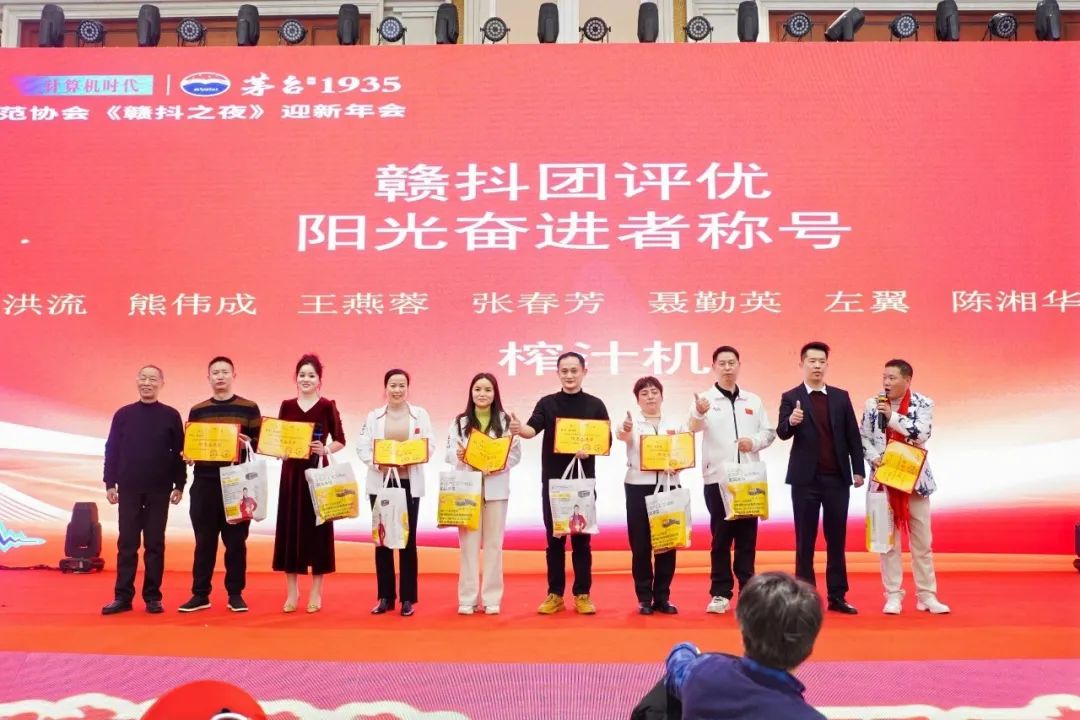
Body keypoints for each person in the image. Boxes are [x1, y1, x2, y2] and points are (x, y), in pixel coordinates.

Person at [510, 351, 610, 615]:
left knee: (582, 542)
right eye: (564, 371)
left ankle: (582, 594)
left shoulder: (595, 405)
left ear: (584, 372)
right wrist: (519, 429)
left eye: (574, 370)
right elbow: (532, 429)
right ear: (558, 373)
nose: (569, 375)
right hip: (554, 485)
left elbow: (605, 440)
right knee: (554, 540)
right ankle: (555, 594)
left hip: (583, 484)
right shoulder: (547, 403)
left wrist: (590, 450)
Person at [663, 572, 826, 720]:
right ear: (809, 647)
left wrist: (686, 648)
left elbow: (678, 665)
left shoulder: (703, 674)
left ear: (742, 629)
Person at [777, 341, 864, 614]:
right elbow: (782, 432)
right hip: (805, 481)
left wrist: (858, 469)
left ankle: (837, 596)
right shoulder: (791, 397)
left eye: (821, 361)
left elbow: (853, 435)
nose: (817, 366)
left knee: (836, 540)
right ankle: (804, 598)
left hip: (837, 479)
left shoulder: (840, 397)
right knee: (805, 541)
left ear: (827, 365)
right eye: (811, 361)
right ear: (801, 364)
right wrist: (791, 421)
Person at [689, 346, 776, 615]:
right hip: (717, 479)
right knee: (721, 539)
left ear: (738, 365)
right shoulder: (704, 400)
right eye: (722, 363)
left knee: (747, 539)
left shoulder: (753, 400)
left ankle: (748, 592)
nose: (727, 368)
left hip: (749, 478)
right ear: (714, 367)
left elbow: (769, 432)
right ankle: (720, 592)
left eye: (731, 363)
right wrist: (699, 412)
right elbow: (691, 427)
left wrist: (754, 442)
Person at [860, 359, 950, 615]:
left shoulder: (923, 403)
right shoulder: (872, 404)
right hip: (883, 480)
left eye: (892, 378)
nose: (886, 383)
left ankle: (927, 595)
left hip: (914, 482)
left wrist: (891, 417)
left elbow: (921, 433)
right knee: (887, 542)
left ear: (907, 380)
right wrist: (874, 458)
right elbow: (863, 436)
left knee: (922, 542)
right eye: (884, 377)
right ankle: (893, 595)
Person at [101, 365, 186, 616]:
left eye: (153, 379)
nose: (147, 383)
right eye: (143, 378)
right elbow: (111, 449)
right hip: (128, 488)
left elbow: (180, 453)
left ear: (162, 383)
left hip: (160, 489)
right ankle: (122, 597)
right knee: (127, 544)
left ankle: (153, 597)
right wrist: (109, 483)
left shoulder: (171, 415)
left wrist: (180, 484)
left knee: (155, 544)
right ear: (137, 381)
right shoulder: (123, 414)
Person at [180, 356, 262, 614]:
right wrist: (188, 454)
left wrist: (247, 442)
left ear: (233, 375)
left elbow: (260, 443)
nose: (220, 376)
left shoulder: (249, 408)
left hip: (237, 483)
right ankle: (200, 594)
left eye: (225, 372)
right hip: (204, 482)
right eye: (215, 372)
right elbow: (191, 443)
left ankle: (235, 594)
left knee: (236, 542)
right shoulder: (198, 410)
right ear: (208, 377)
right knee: (204, 542)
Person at [272, 354, 345, 614]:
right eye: (302, 375)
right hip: (291, 476)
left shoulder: (327, 406)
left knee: (318, 533)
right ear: (296, 378)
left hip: (317, 475)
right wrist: (279, 451)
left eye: (311, 375)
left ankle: (316, 592)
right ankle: (292, 592)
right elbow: (278, 438)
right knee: (290, 530)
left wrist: (325, 449)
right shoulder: (287, 405)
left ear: (319, 380)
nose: (306, 379)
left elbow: (340, 440)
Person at [358, 368, 434, 617]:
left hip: (409, 483)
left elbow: (430, 444)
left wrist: (414, 456)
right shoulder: (374, 416)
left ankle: (408, 598)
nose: (397, 390)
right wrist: (377, 463)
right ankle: (385, 597)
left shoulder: (420, 414)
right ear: (386, 388)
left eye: (402, 385)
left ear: (408, 388)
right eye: (393, 385)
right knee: (382, 539)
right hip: (381, 482)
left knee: (407, 540)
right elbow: (362, 446)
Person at [445, 372, 521, 615]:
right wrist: (458, 456)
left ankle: (491, 598)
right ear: (471, 392)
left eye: (488, 390)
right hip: (467, 490)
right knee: (468, 546)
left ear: (495, 393)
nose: (482, 394)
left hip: (496, 489)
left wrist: (499, 464)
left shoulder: (506, 422)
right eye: (478, 389)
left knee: (494, 545)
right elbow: (448, 453)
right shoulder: (460, 422)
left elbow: (515, 455)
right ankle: (467, 598)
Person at [617, 376, 685, 615]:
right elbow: (622, 435)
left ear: (662, 396)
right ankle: (644, 598)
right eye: (644, 394)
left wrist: (679, 465)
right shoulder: (632, 423)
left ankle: (663, 597)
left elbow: (683, 451)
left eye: (654, 392)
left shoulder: (675, 423)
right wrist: (625, 429)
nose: (650, 397)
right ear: (638, 400)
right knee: (641, 544)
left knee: (667, 542)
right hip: (638, 486)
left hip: (669, 485)